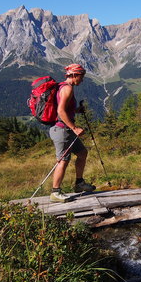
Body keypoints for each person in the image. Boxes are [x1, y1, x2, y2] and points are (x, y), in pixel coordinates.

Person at [48, 63, 96, 203]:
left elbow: (65, 109)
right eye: (81, 76)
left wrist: (76, 110)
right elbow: (60, 111)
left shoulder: (64, 87)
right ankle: (55, 192)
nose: (82, 79)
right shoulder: (67, 89)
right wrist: (74, 128)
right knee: (63, 160)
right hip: (62, 130)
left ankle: (79, 183)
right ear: (74, 75)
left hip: (65, 130)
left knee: (82, 153)